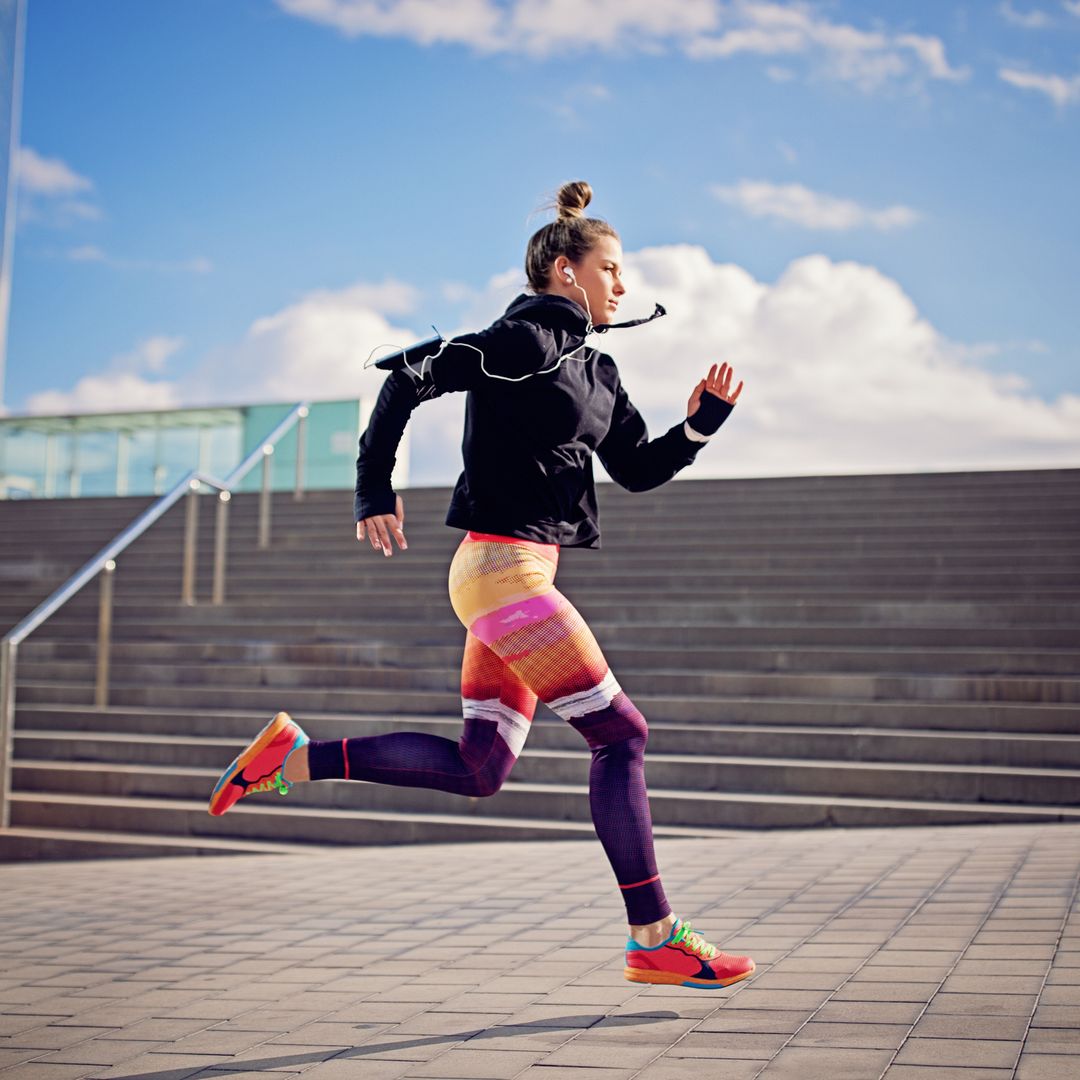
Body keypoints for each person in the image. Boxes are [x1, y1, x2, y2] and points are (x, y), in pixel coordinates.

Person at [208, 181, 754, 990]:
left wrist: (701, 424)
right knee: (622, 736)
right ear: (565, 270)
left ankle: (296, 757)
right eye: (610, 268)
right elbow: (407, 378)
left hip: (514, 576)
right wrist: (372, 486)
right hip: (501, 571)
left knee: (480, 766)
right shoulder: (523, 340)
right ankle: (653, 935)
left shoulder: (597, 373)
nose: (622, 286)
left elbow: (637, 468)